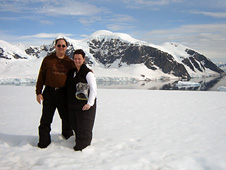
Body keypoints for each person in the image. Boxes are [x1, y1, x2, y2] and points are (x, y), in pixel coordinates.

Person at [36, 38, 74, 148]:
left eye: (63, 46)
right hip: (49, 93)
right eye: (59, 45)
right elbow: (41, 77)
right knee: (46, 120)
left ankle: (67, 138)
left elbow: (78, 71)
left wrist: (88, 70)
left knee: (66, 118)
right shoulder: (47, 60)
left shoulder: (69, 62)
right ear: (55, 46)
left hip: (63, 93)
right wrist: (38, 92)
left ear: (66, 47)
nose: (61, 48)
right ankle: (43, 142)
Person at [66, 49, 97, 151]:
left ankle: (83, 148)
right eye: (75, 58)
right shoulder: (73, 72)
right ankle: (78, 142)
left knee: (84, 126)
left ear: (83, 59)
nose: (77, 60)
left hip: (85, 105)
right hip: (75, 105)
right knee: (76, 125)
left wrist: (90, 104)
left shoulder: (88, 73)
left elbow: (93, 89)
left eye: (79, 59)